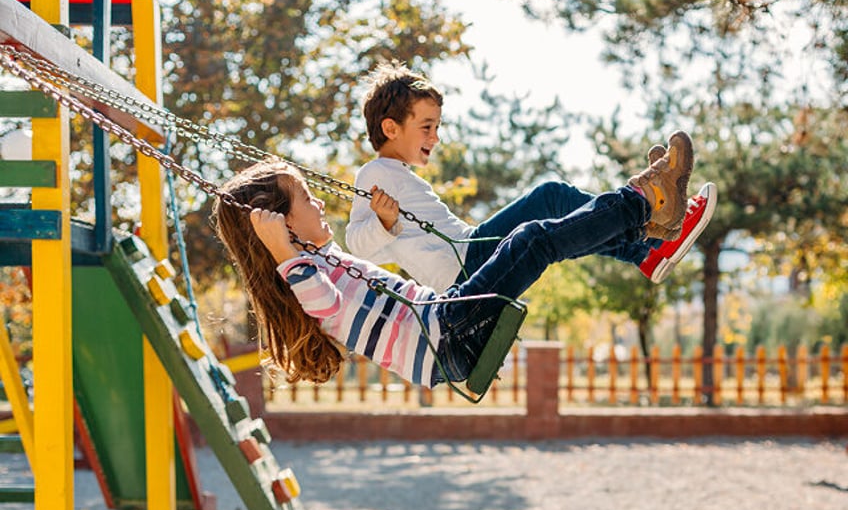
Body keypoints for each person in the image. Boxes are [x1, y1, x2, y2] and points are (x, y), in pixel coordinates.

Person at [214, 140, 697, 389]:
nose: (318, 202)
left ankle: (645, 224)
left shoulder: (314, 261)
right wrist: (281, 252)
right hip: (444, 336)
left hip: (444, 320)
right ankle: (640, 205)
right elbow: (327, 303)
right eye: (304, 197)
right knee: (530, 240)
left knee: (532, 236)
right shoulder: (303, 276)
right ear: (283, 225)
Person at [346, 60, 716, 290]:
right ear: (391, 128)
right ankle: (651, 236)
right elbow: (357, 247)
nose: (435, 137)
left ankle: (647, 249)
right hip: (466, 266)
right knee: (551, 197)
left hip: (468, 255)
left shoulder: (395, 173)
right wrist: (382, 221)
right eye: (426, 126)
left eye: (438, 126)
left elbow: (386, 246)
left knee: (557, 216)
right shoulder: (375, 173)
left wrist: (388, 225)